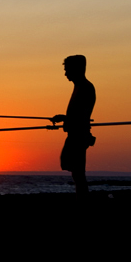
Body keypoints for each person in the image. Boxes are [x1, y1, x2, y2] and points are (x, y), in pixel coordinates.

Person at [52, 55, 96, 194]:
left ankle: (83, 203)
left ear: (76, 69)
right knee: (76, 173)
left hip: (79, 135)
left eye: (67, 70)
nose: (65, 73)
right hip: (75, 134)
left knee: (78, 174)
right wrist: (65, 118)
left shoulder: (85, 87)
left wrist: (65, 118)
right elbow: (77, 114)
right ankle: (82, 201)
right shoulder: (79, 87)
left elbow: (82, 115)